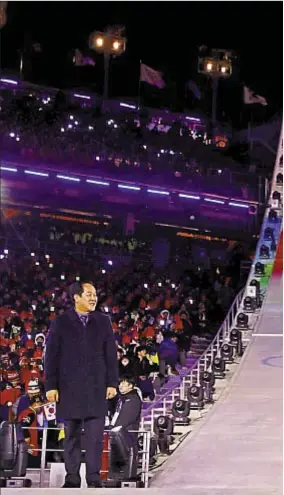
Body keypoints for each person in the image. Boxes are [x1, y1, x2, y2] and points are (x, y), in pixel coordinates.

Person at [44, 281, 118, 488]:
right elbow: (51, 356)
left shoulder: (103, 321)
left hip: (96, 387)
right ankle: (72, 478)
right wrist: (50, 385)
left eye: (95, 294)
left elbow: (110, 355)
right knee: (71, 437)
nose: (93, 298)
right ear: (76, 297)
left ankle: (94, 478)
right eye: (89, 294)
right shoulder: (60, 322)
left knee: (95, 438)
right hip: (69, 389)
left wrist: (112, 382)